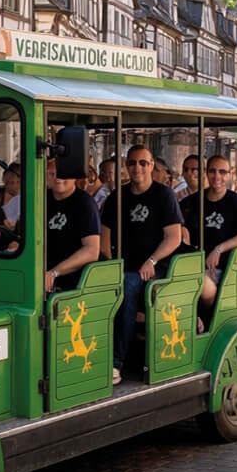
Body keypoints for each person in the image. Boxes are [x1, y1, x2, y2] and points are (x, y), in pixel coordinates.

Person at [100, 146, 183, 385]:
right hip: (123, 265)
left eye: (143, 163)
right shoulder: (117, 196)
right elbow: (105, 238)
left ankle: (117, 362)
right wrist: (107, 266)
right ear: (127, 166)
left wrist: (152, 261)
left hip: (156, 266)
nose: (138, 168)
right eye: (133, 163)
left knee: (128, 284)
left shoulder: (163, 195)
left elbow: (174, 237)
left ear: (151, 167)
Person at [181, 155, 237, 316]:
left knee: (204, 286)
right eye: (213, 171)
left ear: (229, 175)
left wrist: (219, 249)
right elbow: (177, 227)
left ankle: (202, 321)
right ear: (206, 173)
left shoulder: (236, 202)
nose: (217, 176)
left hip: (222, 268)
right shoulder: (191, 202)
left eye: (222, 172)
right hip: (191, 264)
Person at [44, 160, 100, 295]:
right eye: (52, 174)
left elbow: (92, 250)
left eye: (63, 174)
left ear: (74, 176)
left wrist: (54, 273)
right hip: (40, 274)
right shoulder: (40, 200)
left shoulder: (85, 203)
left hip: (75, 280)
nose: (58, 178)